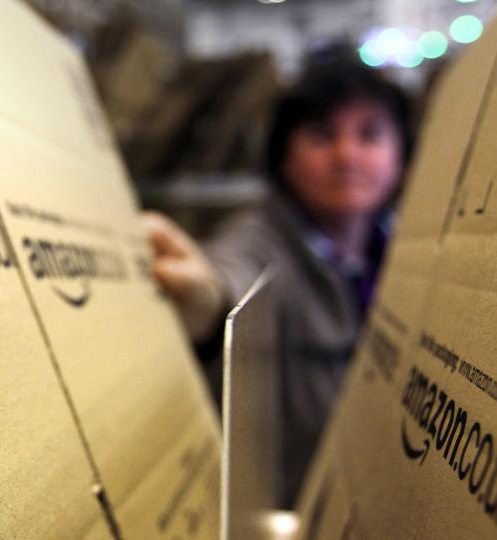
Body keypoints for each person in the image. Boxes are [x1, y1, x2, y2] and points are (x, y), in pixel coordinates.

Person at [142, 55, 413, 508]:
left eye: (370, 134)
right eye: (322, 135)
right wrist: (208, 298)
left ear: (402, 153)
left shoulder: (405, 249)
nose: (346, 155)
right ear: (282, 156)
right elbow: (232, 276)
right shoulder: (261, 240)